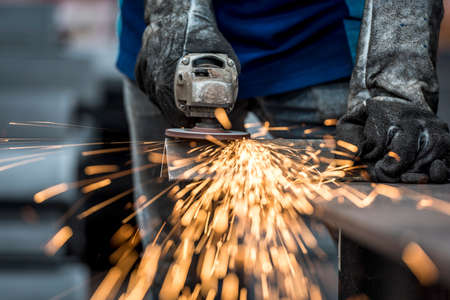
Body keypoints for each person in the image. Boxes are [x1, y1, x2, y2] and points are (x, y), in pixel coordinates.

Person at [116, 0, 450, 298]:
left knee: (325, 267)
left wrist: (397, 84)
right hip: (167, 48)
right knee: (180, 263)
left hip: (315, 38)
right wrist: (173, 15)